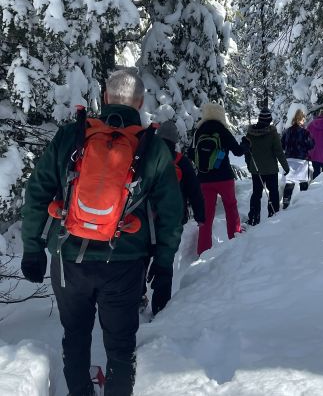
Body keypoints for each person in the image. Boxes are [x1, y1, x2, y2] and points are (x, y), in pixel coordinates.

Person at [20, 70, 183, 396]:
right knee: (121, 344)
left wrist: (33, 247)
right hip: (125, 261)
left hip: (69, 258)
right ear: (139, 103)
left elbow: (37, 192)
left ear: (105, 98)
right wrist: (163, 264)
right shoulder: (152, 147)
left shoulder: (71, 136)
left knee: (75, 335)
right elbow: (170, 213)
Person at [142, 119, 205, 314]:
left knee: (141, 258)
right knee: (165, 260)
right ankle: (160, 309)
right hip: (172, 220)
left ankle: (137, 296)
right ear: (175, 140)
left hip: (145, 218)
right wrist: (201, 215)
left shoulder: (145, 156)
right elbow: (194, 191)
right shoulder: (181, 161)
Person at [188, 102, 249, 255]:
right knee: (230, 207)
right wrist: (245, 145)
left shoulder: (198, 131)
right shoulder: (223, 130)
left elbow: (191, 153)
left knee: (206, 214)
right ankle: (234, 238)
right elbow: (238, 152)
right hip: (224, 178)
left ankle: (203, 250)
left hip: (204, 179)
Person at [244, 107, 289, 226]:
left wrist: (249, 165)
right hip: (271, 170)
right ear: (269, 120)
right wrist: (286, 166)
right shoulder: (272, 133)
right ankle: (273, 216)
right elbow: (278, 151)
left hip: (256, 169)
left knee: (256, 194)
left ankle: (253, 217)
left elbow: (247, 151)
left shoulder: (250, 133)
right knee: (273, 192)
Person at [281, 108, 315, 209]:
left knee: (289, 183)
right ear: (303, 119)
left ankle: (285, 204)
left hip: (289, 159)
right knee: (303, 183)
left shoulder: (287, 131)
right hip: (301, 159)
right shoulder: (305, 132)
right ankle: (303, 206)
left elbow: (282, 145)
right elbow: (311, 145)